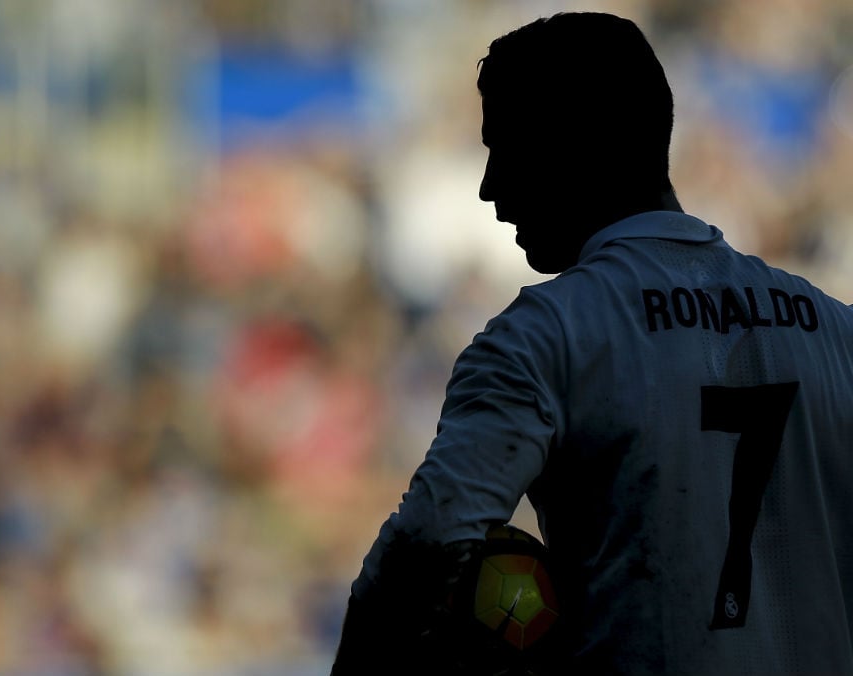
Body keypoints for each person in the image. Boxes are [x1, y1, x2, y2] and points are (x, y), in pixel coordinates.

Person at [331, 11, 853, 675]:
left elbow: (427, 550)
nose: (490, 191)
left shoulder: (544, 336)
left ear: (573, 147)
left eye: (505, 149)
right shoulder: (836, 328)